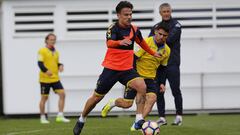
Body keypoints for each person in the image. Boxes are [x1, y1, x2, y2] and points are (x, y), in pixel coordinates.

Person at [73, 1, 161, 135]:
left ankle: (139, 119)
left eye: (130, 14)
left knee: (142, 86)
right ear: (118, 15)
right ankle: (82, 119)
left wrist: (153, 53)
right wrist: (120, 42)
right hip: (111, 69)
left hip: (127, 69)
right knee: (96, 98)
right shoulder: (113, 28)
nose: (129, 17)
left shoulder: (134, 30)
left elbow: (142, 43)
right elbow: (109, 43)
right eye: (126, 14)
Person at [101, 23, 170, 131]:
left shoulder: (167, 50)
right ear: (156, 32)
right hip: (136, 77)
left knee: (152, 98)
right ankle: (113, 103)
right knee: (127, 104)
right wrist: (133, 75)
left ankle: (137, 123)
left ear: (168, 36)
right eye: (160, 34)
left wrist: (162, 83)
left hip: (151, 79)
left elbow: (163, 68)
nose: (161, 37)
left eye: (164, 35)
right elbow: (133, 58)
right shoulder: (146, 43)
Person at [149, 3, 183, 126]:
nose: (166, 13)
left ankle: (179, 116)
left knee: (175, 90)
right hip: (159, 65)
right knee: (159, 90)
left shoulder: (177, 25)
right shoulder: (156, 26)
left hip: (172, 63)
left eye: (168, 11)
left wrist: (158, 37)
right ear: (160, 13)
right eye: (164, 11)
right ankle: (162, 117)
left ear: (171, 11)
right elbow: (149, 43)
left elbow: (167, 40)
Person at [38, 33, 70, 124]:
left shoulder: (56, 52)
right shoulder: (42, 51)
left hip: (55, 78)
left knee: (62, 94)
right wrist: (45, 70)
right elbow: (40, 63)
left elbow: (56, 63)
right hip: (45, 79)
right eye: (51, 39)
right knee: (44, 98)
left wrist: (60, 65)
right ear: (46, 40)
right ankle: (43, 117)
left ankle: (60, 116)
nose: (53, 41)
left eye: (54, 39)